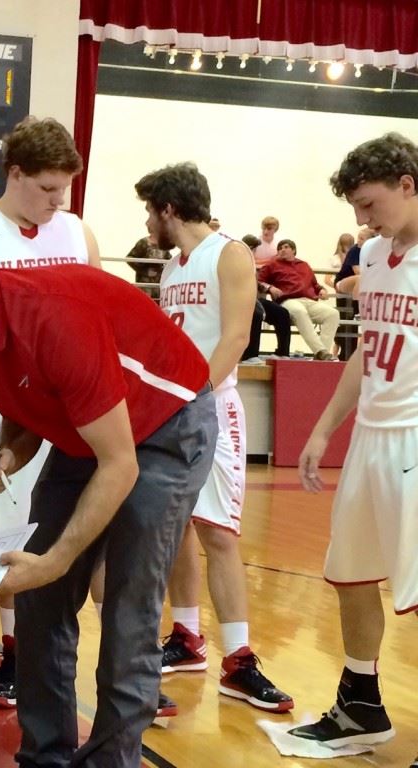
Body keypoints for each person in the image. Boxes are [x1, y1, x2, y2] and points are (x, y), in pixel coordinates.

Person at [0, 215, 217, 768]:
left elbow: (119, 464)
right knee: (36, 598)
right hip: (98, 432)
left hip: (166, 424)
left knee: (128, 604)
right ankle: (45, 758)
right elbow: (37, 402)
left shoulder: (55, 315)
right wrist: (9, 452)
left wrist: (59, 559)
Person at [137, 163, 293, 713]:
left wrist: (190, 395)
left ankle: (240, 659)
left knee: (218, 533)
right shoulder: (171, 269)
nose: (147, 221)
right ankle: (186, 639)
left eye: (150, 210)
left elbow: (235, 336)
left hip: (210, 407)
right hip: (175, 407)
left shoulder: (229, 253)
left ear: (169, 209)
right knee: (177, 529)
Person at [0, 116, 101, 708]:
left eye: (64, 188)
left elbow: (97, 317)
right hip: (5, 407)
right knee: (10, 539)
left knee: (88, 538)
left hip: (77, 411)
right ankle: (17, 653)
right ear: (13, 174)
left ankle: (114, 664)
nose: (57, 200)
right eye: (46, 188)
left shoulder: (76, 232)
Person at [292, 134, 418, 768]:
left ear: (407, 182)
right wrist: (323, 429)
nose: (363, 221)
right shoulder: (372, 254)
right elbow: (368, 350)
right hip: (372, 433)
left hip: (416, 439)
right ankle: (360, 706)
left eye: (370, 204)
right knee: (352, 575)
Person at [257, 239, 340, 359]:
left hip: (308, 300)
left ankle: (321, 355)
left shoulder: (304, 265)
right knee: (299, 311)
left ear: (293, 250)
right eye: (279, 248)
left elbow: (315, 284)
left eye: (286, 247)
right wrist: (270, 287)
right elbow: (259, 281)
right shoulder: (272, 265)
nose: (282, 250)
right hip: (288, 300)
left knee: (333, 314)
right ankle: (320, 351)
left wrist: (322, 290)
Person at [239, 234, 293, 360]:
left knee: (282, 313)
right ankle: (250, 356)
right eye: (254, 250)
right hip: (238, 300)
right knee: (256, 313)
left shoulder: (250, 263)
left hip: (253, 299)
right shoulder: (235, 261)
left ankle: (282, 353)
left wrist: (268, 288)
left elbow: (256, 283)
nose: (255, 253)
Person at [125, 236, 171, 301]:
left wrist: (163, 272)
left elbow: (169, 260)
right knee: (145, 302)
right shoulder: (143, 243)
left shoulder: (163, 244)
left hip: (158, 282)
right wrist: (144, 271)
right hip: (145, 282)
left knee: (158, 305)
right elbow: (130, 259)